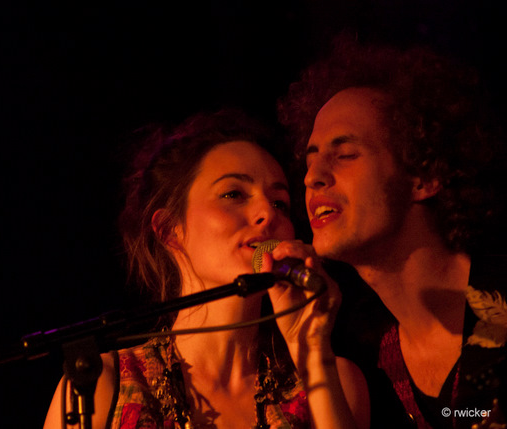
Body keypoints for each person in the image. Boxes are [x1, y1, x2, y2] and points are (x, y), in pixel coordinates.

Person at [43, 109, 370, 428]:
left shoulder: (331, 379)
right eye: (234, 194)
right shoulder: (97, 385)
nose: (268, 214)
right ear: (170, 229)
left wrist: (311, 352)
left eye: (279, 203)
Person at [278, 36, 506, 429]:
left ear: (424, 176)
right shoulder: (373, 356)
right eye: (310, 161)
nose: (313, 177)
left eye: (345, 155)